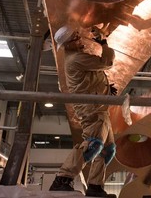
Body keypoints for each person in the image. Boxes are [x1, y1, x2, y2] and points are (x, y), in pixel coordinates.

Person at [49, 25, 117, 198]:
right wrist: (104, 43)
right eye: (75, 38)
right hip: (91, 109)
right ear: (67, 44)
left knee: (108, 150)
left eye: (78, 36)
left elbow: (91, 78)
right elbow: (106, 63)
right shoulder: (76, 58)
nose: (80, 40)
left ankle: (95, 186)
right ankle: (63, 179)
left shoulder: (77, 57)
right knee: (93, 144)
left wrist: (107, 89)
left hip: (100, 107)